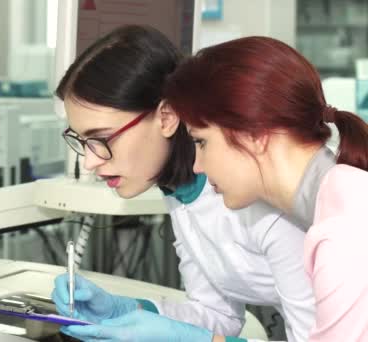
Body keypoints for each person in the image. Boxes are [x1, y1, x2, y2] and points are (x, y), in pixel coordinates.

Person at [51, 25, 315, 342]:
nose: (90, 161)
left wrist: (186, 340)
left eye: (102, 139)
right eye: (81, 141)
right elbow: (218, 315)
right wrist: (126, 312)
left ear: (166, 116)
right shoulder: (182, 191)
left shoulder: (261, 195)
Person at [162, 36, 368, 341]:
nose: (197, 166)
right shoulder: (342, 198)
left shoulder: (343, 238)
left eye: (201, 142)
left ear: (255, 134)